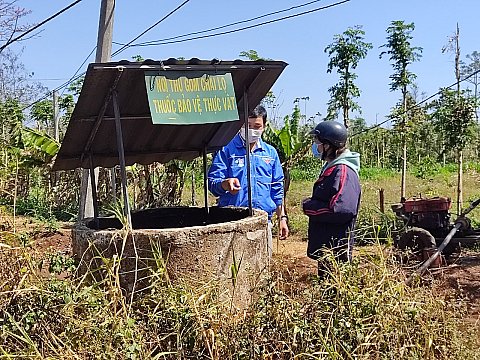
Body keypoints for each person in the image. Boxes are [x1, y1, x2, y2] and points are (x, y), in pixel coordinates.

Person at [208, 105, 289, 256]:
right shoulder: (225, 149)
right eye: (247, 126)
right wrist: (225, 184)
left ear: (264, 127)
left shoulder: (270, 153)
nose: (251, 130)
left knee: (263, 268)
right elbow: (213, 182)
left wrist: (282, 218)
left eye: (256, 126)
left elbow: (277, 189)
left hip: (263, 221)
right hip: (232, 222)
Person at [302, 120, 361, 277]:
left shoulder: (343, 170)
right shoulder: (333, 167)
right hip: (328, 246)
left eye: (318, 143)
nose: (316, 147)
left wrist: (309, 206)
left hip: (336, 249)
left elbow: (341, 210)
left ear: (328, 145)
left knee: (335, 291)